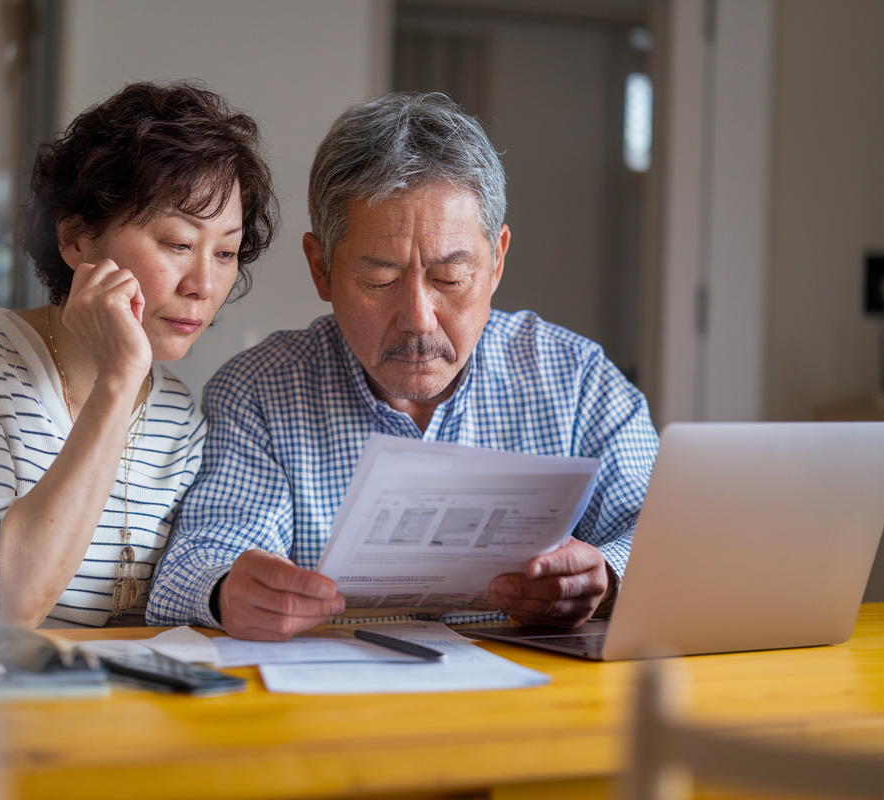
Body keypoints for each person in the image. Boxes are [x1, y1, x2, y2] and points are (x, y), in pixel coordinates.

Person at [148, 92, 659, 640]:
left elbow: (667, 534)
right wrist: (227, 591)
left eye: (450, 279)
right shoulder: (261, 390)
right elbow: (202, 557)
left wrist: (606, 577)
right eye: (380, 280)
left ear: (496, 262)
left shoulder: (576, 379)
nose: (419, 319)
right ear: (321, 269)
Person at [0, 82, 277, 628]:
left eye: (225, 252)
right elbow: (2, 606)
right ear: (77, 239)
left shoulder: (180, 419)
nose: (203, 284)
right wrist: (119, 379)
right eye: (178, 243)